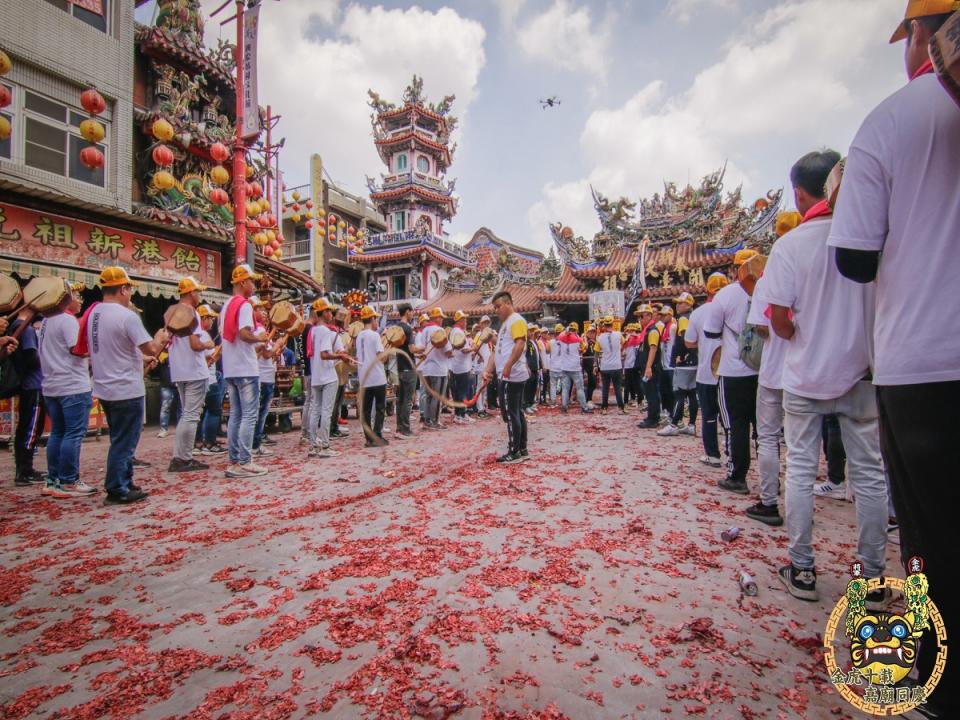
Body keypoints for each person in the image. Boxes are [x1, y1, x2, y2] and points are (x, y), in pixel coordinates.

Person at [828, 6, 960, 712]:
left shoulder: (892, 120)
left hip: (926, 359)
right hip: (918, 361)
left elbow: (854, 257)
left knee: (935, 537)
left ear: (923, 34)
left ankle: (941, 690)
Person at [761, 149, 887, 606]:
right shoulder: (874, 235)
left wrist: (798, 333)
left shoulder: (791, 245)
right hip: (863, 372)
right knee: (869, 475)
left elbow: (777, 317)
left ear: (799, 193)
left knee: (799, 467)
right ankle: (872, 580)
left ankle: (803, 568)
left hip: (806, 373)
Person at [84, 267, 168, 504]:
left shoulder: (94, 314)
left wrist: (140, 359)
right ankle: (117, 488)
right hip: (125, 386)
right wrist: (161, 338)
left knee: (120, 437)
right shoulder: (127, 316)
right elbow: (150, 347)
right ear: (123, 289)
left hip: (105, 385)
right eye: (129, 289)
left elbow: (114, 348)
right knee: (125, 441)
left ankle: (125, 480)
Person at [702, 249, 761, 494]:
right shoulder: (770, 288)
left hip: (734, 370)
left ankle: (737, 476)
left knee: (735, 425)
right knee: (765, 430)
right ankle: (771, 482)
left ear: (735, 269)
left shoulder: (725, 295)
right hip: (764, 370)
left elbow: (710, 332)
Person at [35, 282, 95, 496]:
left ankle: (53, 481)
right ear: (65, 299)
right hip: (72, 385)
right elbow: (77, 350)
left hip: (52, 385)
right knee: (73, 433)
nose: (80, 301)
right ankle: (69, 481)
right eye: (77, 296)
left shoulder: (45, 322)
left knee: (57, 433)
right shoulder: (68, 321)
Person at [742, 271, 787, 527]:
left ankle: (770, 502)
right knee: (801, 448)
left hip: (773, 370)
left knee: (768, 438)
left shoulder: (769, 279)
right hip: (815, 371)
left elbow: (762, 328)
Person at [220, 264, 269, 478]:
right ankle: (245, 461)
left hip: (230, 367)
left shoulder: (226, 305)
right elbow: (244, 333)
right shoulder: (245, 305)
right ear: (242, 282)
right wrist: (260, 338)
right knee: (249, 415)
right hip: (246, 368)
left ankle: (234, 460)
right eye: (251, 281)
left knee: (236, 416)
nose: (253, 285)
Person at [166, 277, 212, 473]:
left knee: (186, 414)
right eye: (198, 292)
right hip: (194, 369)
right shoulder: (192, 312)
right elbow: (195, 344)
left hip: (179, 369)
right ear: (191, 293)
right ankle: (183, 458)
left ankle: (180, 455)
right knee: (191, 415)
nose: (199, 296)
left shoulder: (170, 312)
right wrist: (207, 345)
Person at [684, 273, 727, 467]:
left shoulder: (699, 313)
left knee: (709, 415)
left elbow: (689, 342)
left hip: (707, 372)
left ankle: (713, 454)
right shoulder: (738, 305)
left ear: (707, 289)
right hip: (732, 371)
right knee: (733, 417)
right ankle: (734, 454)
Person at [483, 290, 529, 463]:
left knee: (510, 413)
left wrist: (508, 365)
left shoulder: (516, 320)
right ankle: (522, 448)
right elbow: (497, 352)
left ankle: (514, 450)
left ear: (508, 303)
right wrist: (488, 370)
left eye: (498, 307)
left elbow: (520, 343)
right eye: (494, 308)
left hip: (512, 375)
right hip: (508, 374)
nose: (496, 311)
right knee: (516, 412)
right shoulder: (505, 325)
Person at [307, 298, 353, 457]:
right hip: (327, 376)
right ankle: (325, 446)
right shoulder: (326, 331)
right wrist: (341, 357)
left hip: (316, 376)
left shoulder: (312, 331)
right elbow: (324, 354)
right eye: (328, 311)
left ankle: (313, 445)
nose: (330, 314)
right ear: (322, 313)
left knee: (315, 411)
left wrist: (340, 354)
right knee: (326, 412)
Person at [9, 305, 46, 486]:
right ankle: (24, 470)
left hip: (28, 384)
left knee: (26, 427)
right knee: (31, 429)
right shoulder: (26, 329)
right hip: (34, 384)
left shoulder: (17, 325)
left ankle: (25, 469)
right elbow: (31, 356)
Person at [660, 293, 699, 436]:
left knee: (679, 393)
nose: (678, 305)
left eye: (681, 303)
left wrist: (681, 356)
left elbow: (685, 338)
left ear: (689, 304)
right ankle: (692, 424)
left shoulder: (683, 319)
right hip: (694, 361)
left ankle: (674, 423)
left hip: (683, 362)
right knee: (692, 394)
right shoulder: (694, 317)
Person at [356, 305, 388, 446]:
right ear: (372, 319)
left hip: (364, 377)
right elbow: (381, 357)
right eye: (376, 319)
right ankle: (377, 435)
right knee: (380, 408)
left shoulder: (359, 336)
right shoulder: (374, 335)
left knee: (366, 410)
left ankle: (368, 438)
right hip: (377, 376)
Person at [196, 304, 225, 455]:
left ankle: (199, 442)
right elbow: (210, 357)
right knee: (214, 410)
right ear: (204, 319)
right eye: (210, 319)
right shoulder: (202, 335)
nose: (212, 322)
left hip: (204, 377)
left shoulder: (199, 334)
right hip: (209, 378)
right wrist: (220, 349)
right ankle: (210, 442)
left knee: (202, 412)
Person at [418, 308, 452, 430]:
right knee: (437, 397)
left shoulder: (425, 330)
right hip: (439, 369)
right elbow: (448, 351)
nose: (442, 320)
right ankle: (434, 421)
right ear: (437, 318)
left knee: (429, 396)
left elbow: (422, 348)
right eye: (441, 317)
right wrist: (451, 353)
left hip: (427, 368)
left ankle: (427, 420)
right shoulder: (440, 330)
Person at [251, 300, 277, 458]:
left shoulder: (257, 329)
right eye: (259, 309)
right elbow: (266, 353)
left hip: (263, 374)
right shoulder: (258, 330)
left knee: (257, 412)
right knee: (259, 413)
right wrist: (277, 345)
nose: (264, 313)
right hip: (263, 376)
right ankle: (255, 444)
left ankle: (254, 443)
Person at [635, 306, 663, 428]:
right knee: (648, 393)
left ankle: (653, 419)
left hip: (651, 368)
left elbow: (653, 348)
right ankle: (651, 416)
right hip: (646, 367)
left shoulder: (652, 331)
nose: (639, 319)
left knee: (652, 394)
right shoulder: (646, 331)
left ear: (649, 316)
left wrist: (648, 367)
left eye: (642, 316)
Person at [394, 303, 418, 437]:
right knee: (407, 400)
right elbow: (412, 349)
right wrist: (421, 348)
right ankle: (405, 429)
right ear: (407, 312)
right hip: (409, 368)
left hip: (400, 367)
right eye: (412, 312)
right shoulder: (408, 329)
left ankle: (399, 428)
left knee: (400, 399)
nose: (412, 314)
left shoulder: (396, 327)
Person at [558, 322, 591, 413]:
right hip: (575, 368)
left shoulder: (561, 338)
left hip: (564, 367)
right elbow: (584, 349)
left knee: (565, 388)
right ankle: (584, 407)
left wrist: (567, 331)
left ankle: (564, 406)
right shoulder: (578, 339)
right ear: (576, 330)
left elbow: (562, 335)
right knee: (580, 388)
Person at [449, 310, 474, 424]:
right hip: (461, 367)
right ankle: (461, 414)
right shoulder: (458, 332)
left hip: (458, 366)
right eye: (464, 319)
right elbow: (463, 350)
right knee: (462, 392)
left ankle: (459, 414)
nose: (466, 321)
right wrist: (473, 348)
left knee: (459, 392)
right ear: (459, 321)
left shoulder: (456, 331)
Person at [298, 309, 318, 445]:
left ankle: (305, 433)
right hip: (311, 369)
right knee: (311, 402)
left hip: (306, 368)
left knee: (308, 401)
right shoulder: (310, 329)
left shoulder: (302, 328)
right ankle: (307, 434)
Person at [597, 317, 624, 413]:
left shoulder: (600, 337)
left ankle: (604, 408)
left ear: (604, 326)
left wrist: (595, 365)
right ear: (612, 325)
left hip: (605, 366)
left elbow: (596, 352)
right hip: (617, 365)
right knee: (617, 388)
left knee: (605, 388)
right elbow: (623, 344)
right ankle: (621, 408)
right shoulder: (619, 334)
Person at [657, 305, 676, 423]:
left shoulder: (673, 327)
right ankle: (668, 413)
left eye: (664, 315)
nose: (662, 317)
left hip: (671, 365)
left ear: (670, 315)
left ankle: (674, 415)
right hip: (664, 365)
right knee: (665, 391)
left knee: (672, 392)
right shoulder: (664, 328)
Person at [523, 325, 541, 414]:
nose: (531, 333)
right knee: (528, 388)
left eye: (532, 331)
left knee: (533, 387)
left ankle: (530, 404)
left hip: (535, 368)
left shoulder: (533, 342)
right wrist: (527, 367)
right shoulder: (525, 342)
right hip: (529, 368)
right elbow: (524, 356)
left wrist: (538, 367)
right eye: (530, 331)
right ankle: (525, 405)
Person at [582, 326, 599, 405]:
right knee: (590, 381)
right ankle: (588, 399)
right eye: (590, 332)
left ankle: (589, 398)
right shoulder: (584, 340)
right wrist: (587, 343)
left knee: (594, 382)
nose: (592, 334)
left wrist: (594, 342)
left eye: (593, 332)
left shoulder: (596, 341)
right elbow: (583, 350)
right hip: (586, 364)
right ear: (587, 333)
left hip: (594, 364)